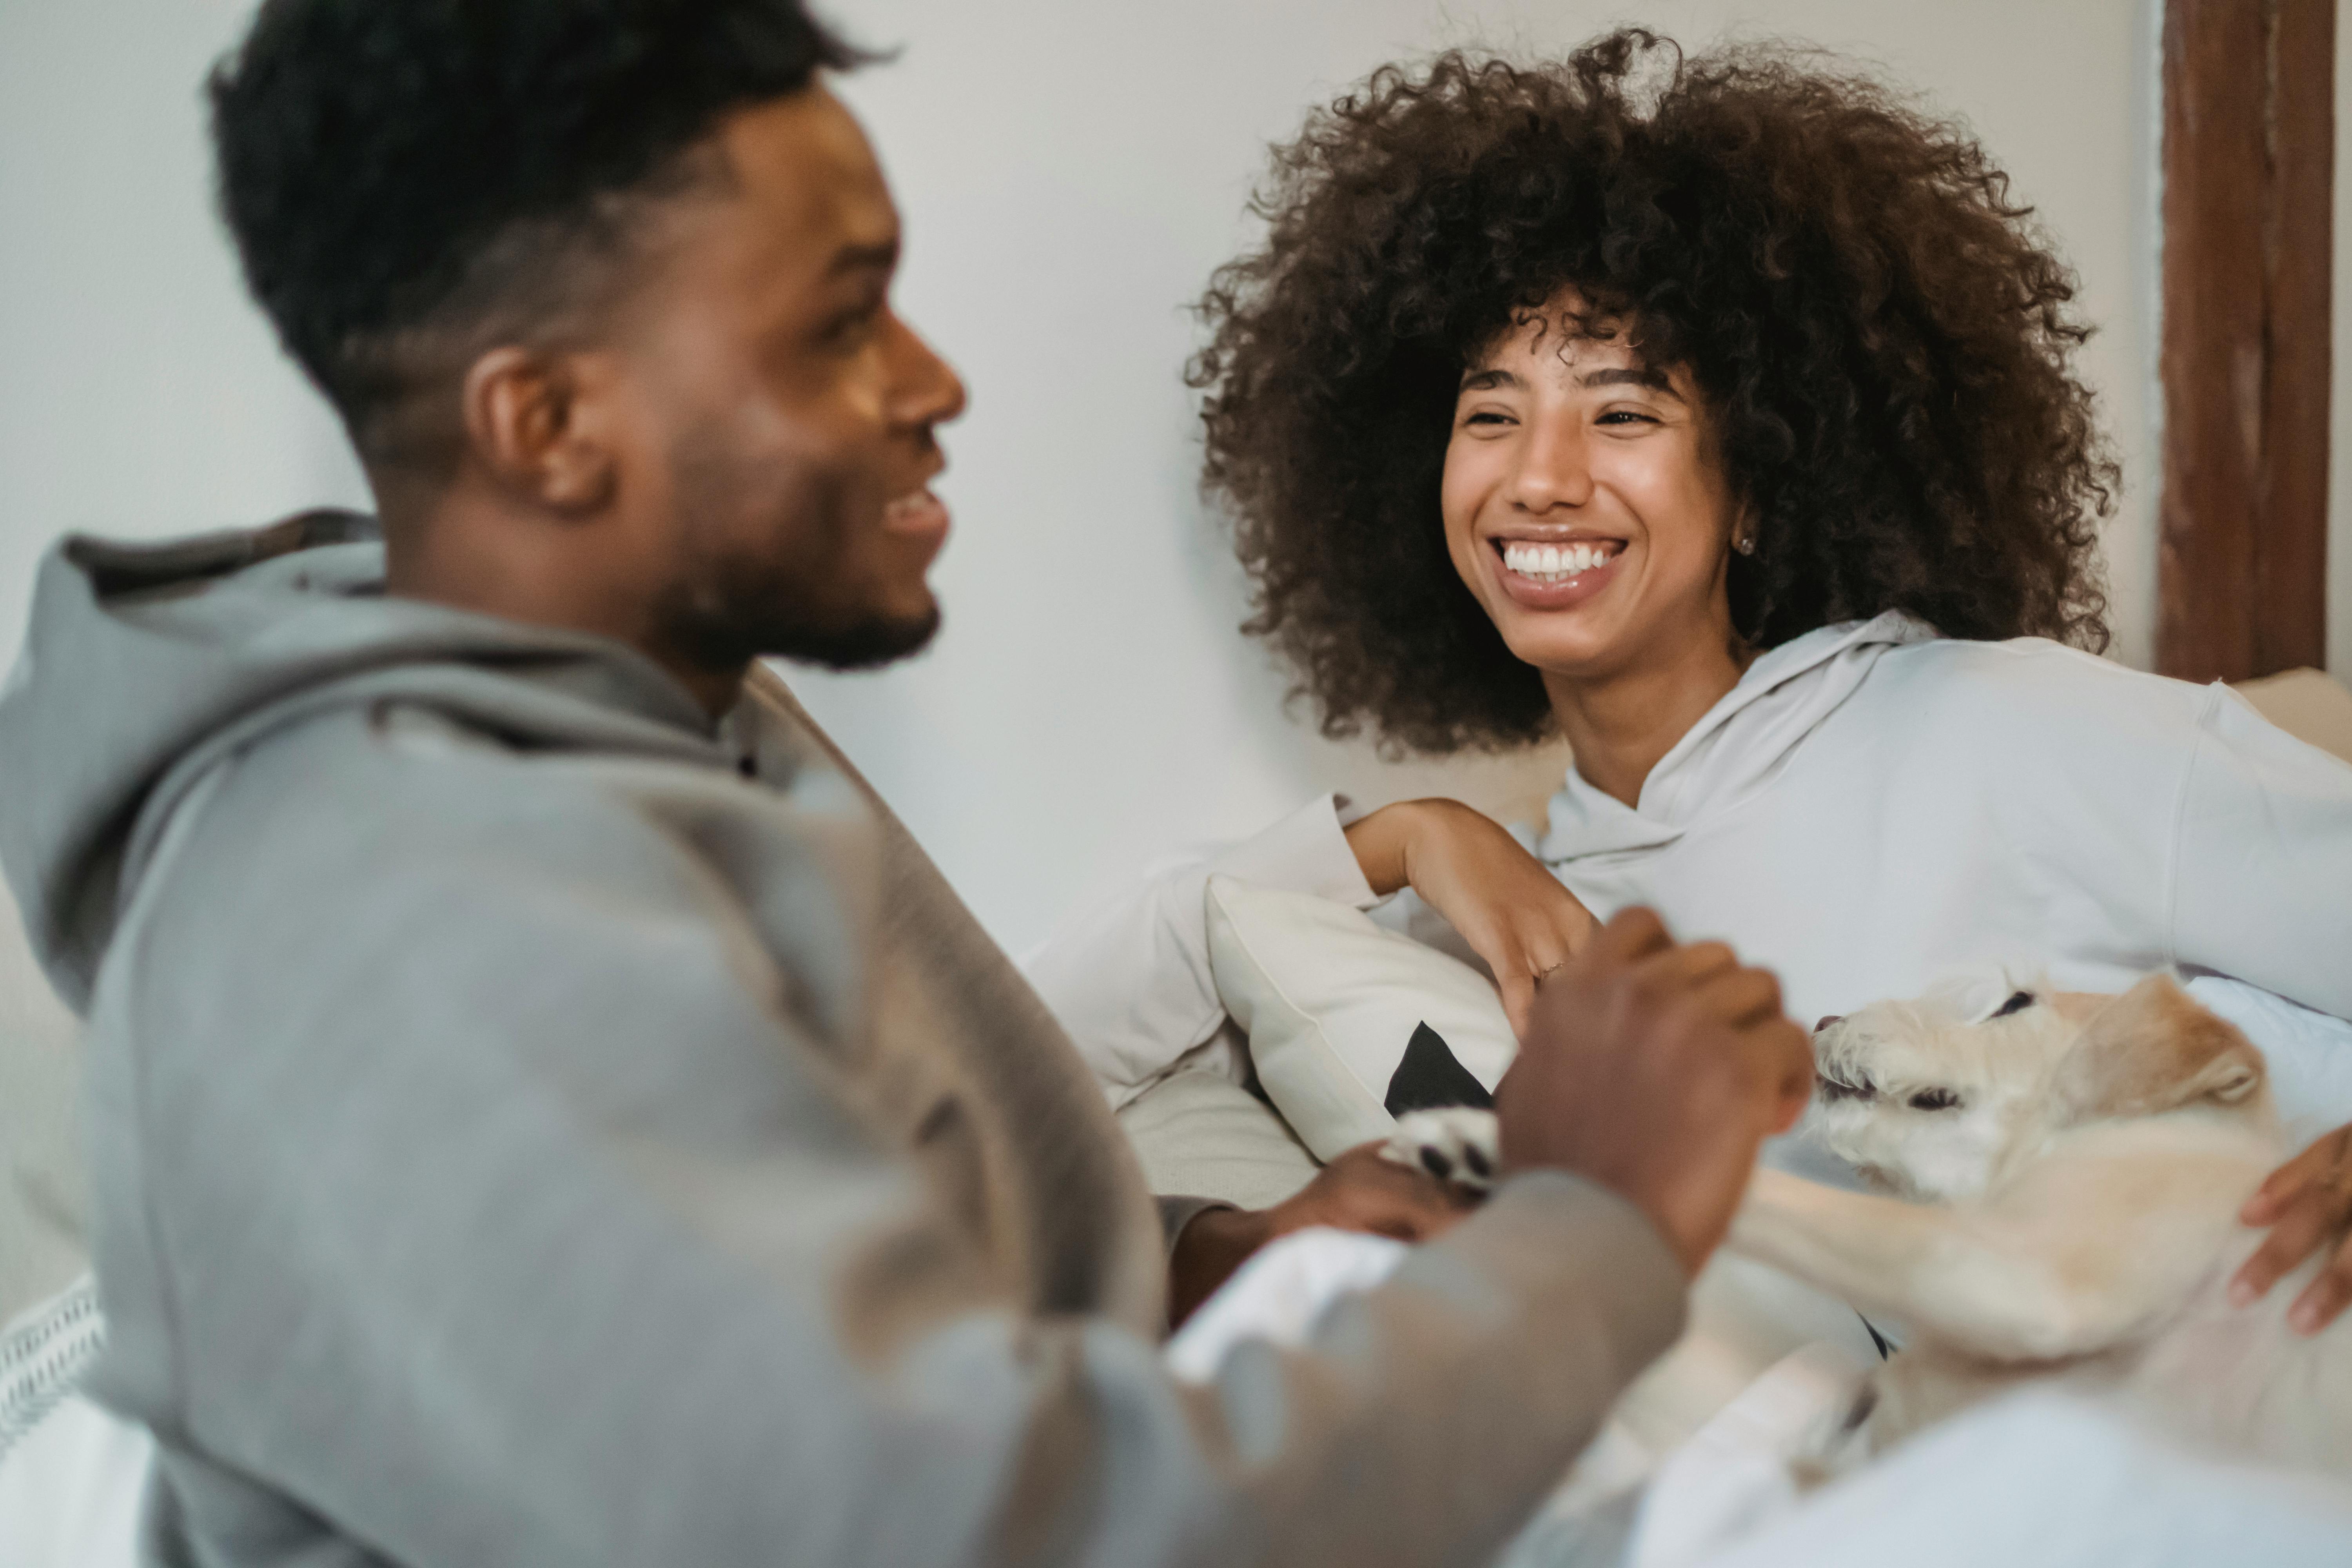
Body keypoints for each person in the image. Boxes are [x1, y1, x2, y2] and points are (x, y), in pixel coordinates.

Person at [0, 4, 1817, 1565]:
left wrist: (1202, 1262)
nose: (935, 384)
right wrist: (1599, 1225)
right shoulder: (390, 930)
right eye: (841, 324)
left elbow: (796, 1310)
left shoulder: (654, 707)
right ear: (546, 424)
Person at [1030, 31, 2352, 1335]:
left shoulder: (2008, 730)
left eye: (1623, 412)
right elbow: (1024, 1065)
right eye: (1491, 414)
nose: (1538, 476)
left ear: (1758, 495)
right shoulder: (1494, 933)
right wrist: (1401, 837)